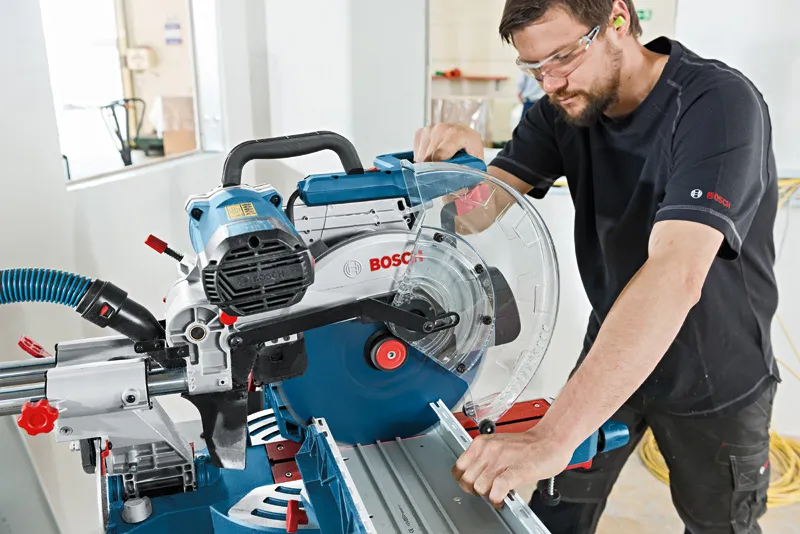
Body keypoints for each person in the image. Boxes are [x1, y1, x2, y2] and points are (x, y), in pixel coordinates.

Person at [413, 1, 780, 533]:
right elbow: (475, 214)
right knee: (556, 514)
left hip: (717, 371)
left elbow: (677, 272)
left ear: (616, 20)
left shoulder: (717, 103)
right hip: (614, 351)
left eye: (563, 57)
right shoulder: (561, 109)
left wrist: (552, 436)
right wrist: (461, 172)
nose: (551, 81)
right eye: (534, 68)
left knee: (719, 524)